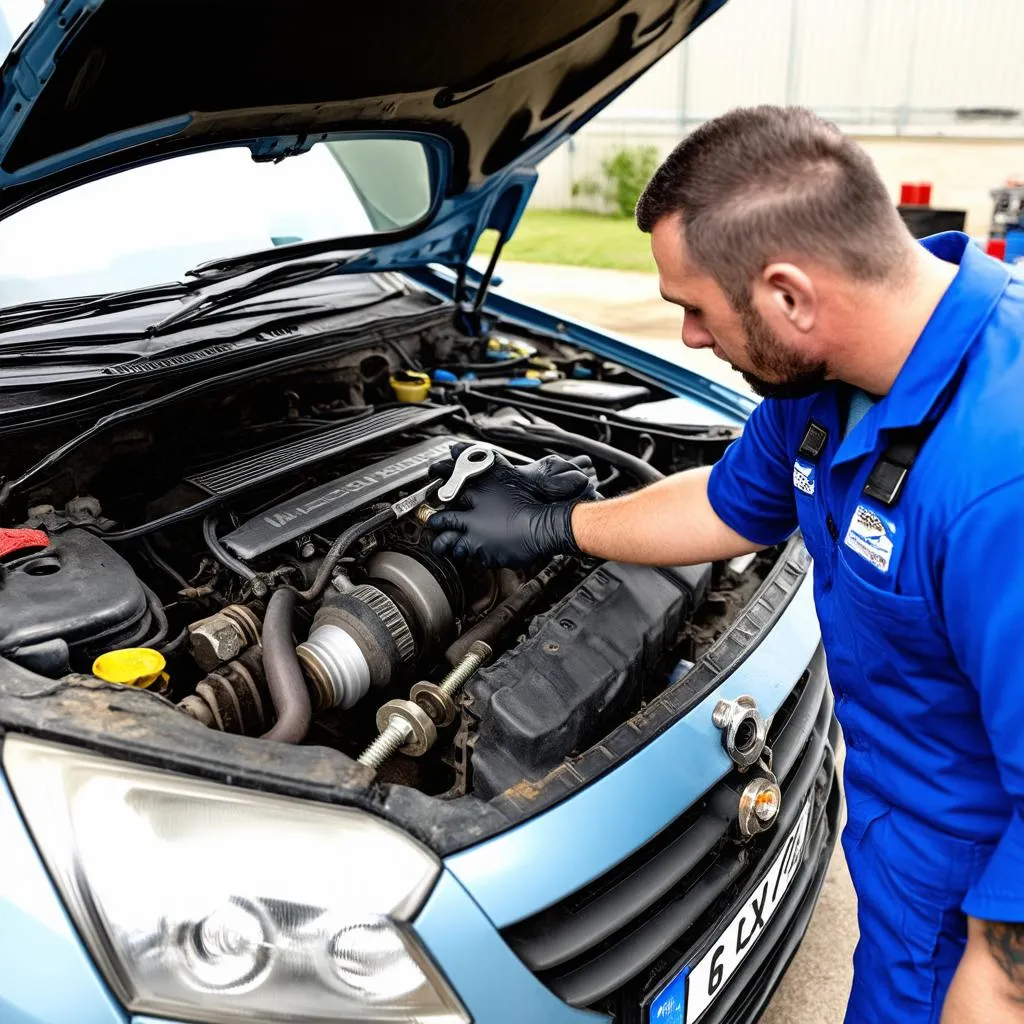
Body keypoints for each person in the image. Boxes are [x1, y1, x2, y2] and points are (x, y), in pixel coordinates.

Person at [426, 106, 1024, 1024]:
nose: (692, 342)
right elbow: (726, 504)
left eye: (694, 309)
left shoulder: (998, 478)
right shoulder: (827, 381)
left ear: (788, 296)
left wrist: (991, 984)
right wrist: (556, 525)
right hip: (899, 864)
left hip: (967, 920)